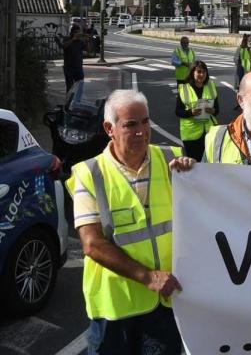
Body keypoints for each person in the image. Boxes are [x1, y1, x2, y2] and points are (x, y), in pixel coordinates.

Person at [69, 90, 195, 354]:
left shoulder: (171, 160)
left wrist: (196, 175)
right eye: (130, 124)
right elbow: (91, 244)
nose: (142, 131)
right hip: (116, 307)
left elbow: (208, 210)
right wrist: (147, 276)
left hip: (164, 304)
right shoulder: (90, 173)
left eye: (146, 121)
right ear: (109, 128)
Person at [175, 61, 219, 160]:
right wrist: (191, 112)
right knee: (194, 163)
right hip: (191, 134)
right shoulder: (184, 88)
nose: (202, 75)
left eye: (204, 72)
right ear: (192, 72)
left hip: (208, 132)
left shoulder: (211, 87)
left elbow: (217, 110)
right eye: (199, 72)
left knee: (209, 161)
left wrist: (212, 111)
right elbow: (178, 111)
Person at [61, 24, 87, 92]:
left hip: (78, 67)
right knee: (69, 87)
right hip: (68, 67)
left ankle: (77, 101)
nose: (77, 34)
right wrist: (73, 39)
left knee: (80, 86)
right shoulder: (67, 39)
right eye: (76, 32)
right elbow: (64, 46)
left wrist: (87, 40)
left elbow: (89, 50)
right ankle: (69, 101)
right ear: (72, 33)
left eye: (78, 32)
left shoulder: (80, 41)